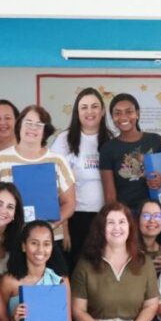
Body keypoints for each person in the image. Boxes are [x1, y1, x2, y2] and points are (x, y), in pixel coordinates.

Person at [0, 105, 75, 247]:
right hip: (11, 239)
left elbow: (69, 203)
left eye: (39, 124)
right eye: (28, 123)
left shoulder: (58, 161)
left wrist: (48, 227)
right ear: (19, 125)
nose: (32, 128)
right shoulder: (0, 160)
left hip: (49, 239)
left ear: (45, 131)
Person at [50, 88, 112, 266]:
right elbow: (54, 185)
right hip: (73, 217)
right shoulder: (64, 140)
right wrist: (64, 226)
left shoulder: (112, 140)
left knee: (100, 270)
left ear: (102, 111)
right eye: (84, 107)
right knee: (74, 268)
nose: (89, 111)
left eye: (94, 106)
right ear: (77, 112)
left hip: (104, 217)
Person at [98, 93, 161, 212]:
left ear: (137, 113)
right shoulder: (108, 149)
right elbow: (110, 196)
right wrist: (117, 218)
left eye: (129, 111)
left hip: (156, 215)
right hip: (126, 216)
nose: (123, 117)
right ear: (112, 117)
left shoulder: (156, 140)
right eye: (117, 113)